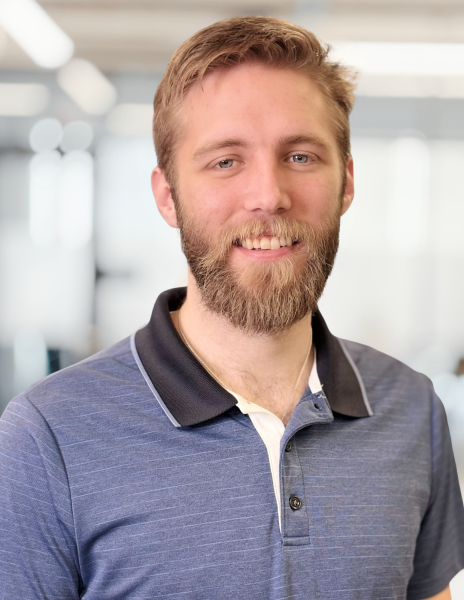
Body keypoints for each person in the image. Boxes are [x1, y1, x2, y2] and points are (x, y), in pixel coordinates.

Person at [1, 16, 463, 600]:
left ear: (346, 183)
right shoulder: (49, 436)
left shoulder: (412, 409)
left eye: (300, 156)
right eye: (225, 161)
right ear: (168, 196)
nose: (268, 195)